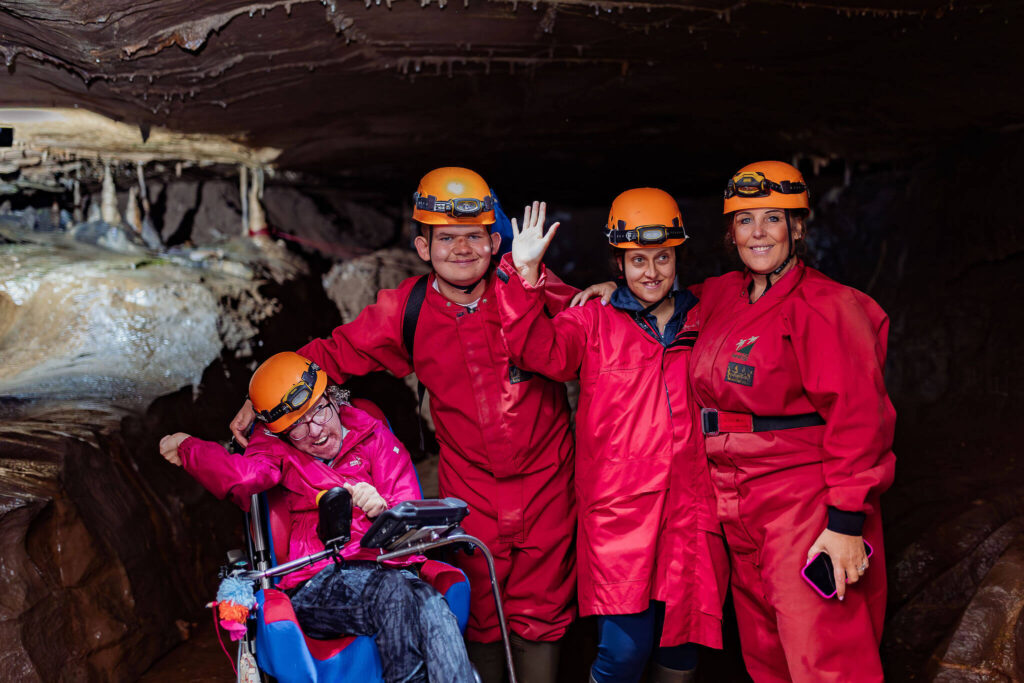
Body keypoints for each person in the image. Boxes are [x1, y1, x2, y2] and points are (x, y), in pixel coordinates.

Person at [229, 168, 613, 683]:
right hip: (471, 490)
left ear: (495, 241)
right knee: (478, 610)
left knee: (542, 613)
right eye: (446, 238)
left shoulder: (526, 284)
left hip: (548, 482)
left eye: (474, 236)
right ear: (422, 246)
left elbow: (587, 321)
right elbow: (335, 353)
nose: (461, 249)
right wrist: (263, 397)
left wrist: (619, 290)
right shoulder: (406, 311)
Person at [494, 190, 729, 683]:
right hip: (621, 519)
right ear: (618, 264)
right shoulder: (592, 320)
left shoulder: (707, 314)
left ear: (677, 257)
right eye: (636, 260)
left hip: (691, 512)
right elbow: (538, 351)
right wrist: (525, 276)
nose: (651, 271)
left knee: (683, 651)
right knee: (623, 653)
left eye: (662, 257)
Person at [689, 160, 896, 682]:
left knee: (823, 656)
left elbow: (860, 418)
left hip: (804, 506)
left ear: (797, 227)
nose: (758, 232)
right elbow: (649, 299)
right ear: (730, 232)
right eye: (744, 220)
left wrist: (846, 523)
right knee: (766, 655)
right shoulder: (720, 296)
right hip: (737, 503)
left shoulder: (826, 306)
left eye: (772, 218)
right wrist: (606, 289)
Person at [159, 351, 476, 683]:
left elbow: (409, 514)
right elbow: (242, 477)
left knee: (433, 607)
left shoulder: (374, 435)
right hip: (319, 582)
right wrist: (188, 448)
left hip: (388, 567)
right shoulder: (276, 451)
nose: (314, 431)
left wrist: (383, 510)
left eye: (318, 412)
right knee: (395, 593)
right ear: (282, 434)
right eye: (297, 427)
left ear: (332, 398)